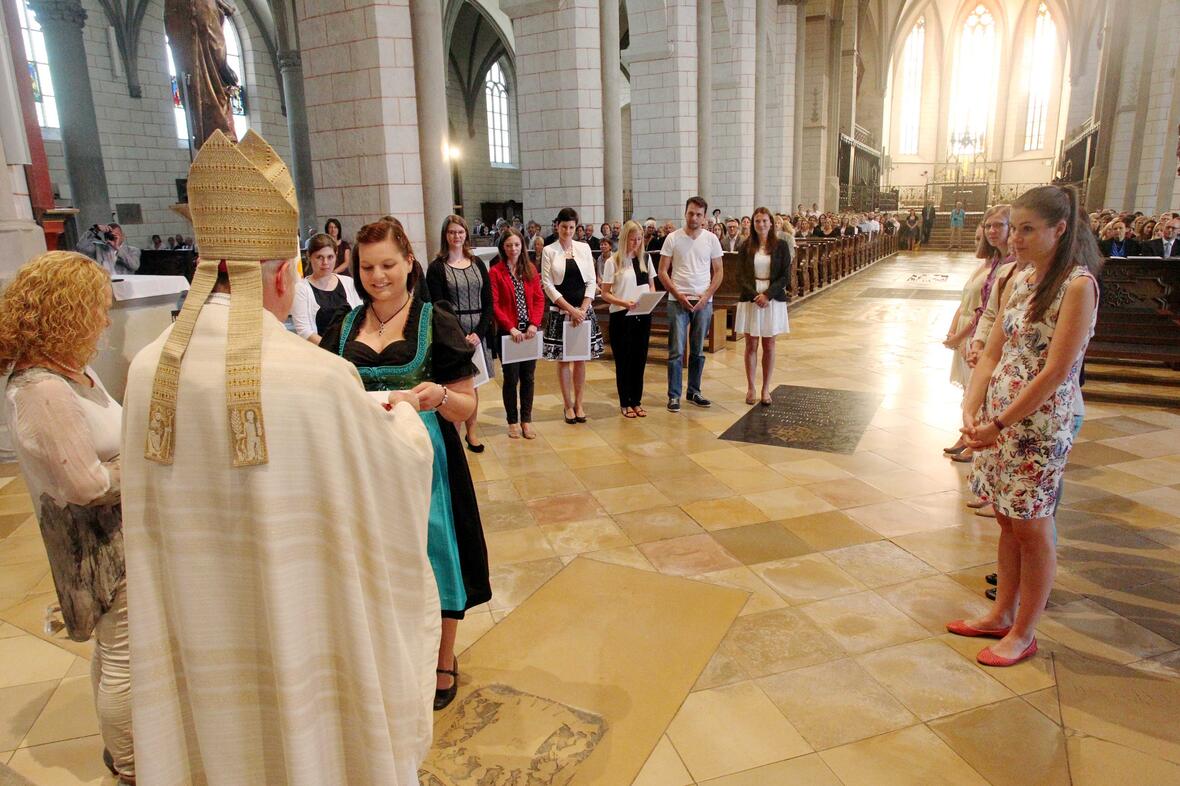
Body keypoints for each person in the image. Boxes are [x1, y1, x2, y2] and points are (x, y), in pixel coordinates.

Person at [121, 131, 439, 784]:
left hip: (200, 638)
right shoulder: (315, 378)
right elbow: (395, 470)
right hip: (293, 638)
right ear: (280, 273)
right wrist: (402, 418)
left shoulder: (146, 374)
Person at [320, 215, 491, 712]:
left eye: (388, 265)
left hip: (426, 462)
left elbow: (467, 406)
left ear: (409, 262)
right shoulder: (343, 326)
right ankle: (389, 654)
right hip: (363, 465)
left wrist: (437, 395)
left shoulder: (434, 320)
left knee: (435, 553)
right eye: (369, 267)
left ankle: (442, 657)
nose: (378, 277)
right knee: (375, 560)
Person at [948, 185, 1101, 667]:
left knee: (1033, 527)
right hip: (998, 420)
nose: (1014, 238)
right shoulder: (1018, 277)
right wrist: (972, 409)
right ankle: (1000, 613)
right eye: (1013, 227)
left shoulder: (1076, 285)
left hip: (1038, 426)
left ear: (1060, 230)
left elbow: (1057, 370)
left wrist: (999, 422)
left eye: (1027, 228)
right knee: (1007, 519)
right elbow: (992, 350)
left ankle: (1024, 631)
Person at [1, 252, 135, 785]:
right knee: (125, 657)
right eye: (98, 309)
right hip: (96, 546)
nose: (105, 321)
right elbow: (86, 485)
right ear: (69, 312)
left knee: (119, 645)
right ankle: (132, 765)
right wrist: (147, 462)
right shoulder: (40, 389)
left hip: (119, 537)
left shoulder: (72, 372)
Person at [427, 215, 494, 452]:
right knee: (455, 386)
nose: (456, 236)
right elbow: (438, 305)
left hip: (477, 333)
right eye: (451, 232)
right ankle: (454, 436)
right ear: (445, 236)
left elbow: (488, 303)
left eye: (460, 232)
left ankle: (472, 433)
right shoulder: (436, 267)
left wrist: (479, 332)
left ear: (466, 234)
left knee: (473, 385)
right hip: (451, 335)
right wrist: (457, 335)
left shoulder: (477, 263)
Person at [659, 196, 724, 411]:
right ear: (685, 213)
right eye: (690, 213)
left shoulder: (711, 239)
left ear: (704, 217)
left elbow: (719, 272)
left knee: (698, 350)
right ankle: (674, 395)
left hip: (703, 302)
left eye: (698, 214)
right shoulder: (673, 238)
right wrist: (678, 295)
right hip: (678, 300)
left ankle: (694, 391)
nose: (694, 217)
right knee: (677, 350)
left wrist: (706, 297)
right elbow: (662, 272)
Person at [541, 207, 603, 423]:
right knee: (564, 360)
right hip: (561, 312)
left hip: (583, 312)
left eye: (571, 227)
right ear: (557, 226)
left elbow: (592, 280)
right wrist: (571, 310)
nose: (567, 231)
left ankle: (579, 404)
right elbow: (548, 285)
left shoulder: (584, 248)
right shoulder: (549, 250)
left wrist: (583, 309)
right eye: (564, 227)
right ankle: (567, 405)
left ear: (576, 228)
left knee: (580, 360)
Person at [735, 207, 792, 406]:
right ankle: (751, 387)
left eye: (765, 221)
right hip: (751, 297)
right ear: (753, 224)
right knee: (751, 344)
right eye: (757, 221)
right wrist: (755, 296)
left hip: (772, 298)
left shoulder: (781, 246)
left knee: (769, 344)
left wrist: (767, 295)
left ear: (771, 223)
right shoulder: (745, 246)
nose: (761, 224)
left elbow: (785, 275)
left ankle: (766, 388)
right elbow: (740, 275)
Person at [490, 228, 543, 439]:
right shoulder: (495, 272)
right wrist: (510, 327)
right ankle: (512, 420)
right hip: (508, 334)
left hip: (529, 333)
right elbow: (494, 304)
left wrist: (533, 324)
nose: (513, 249)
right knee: (511, 378)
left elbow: (539, 299)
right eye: (509, 245)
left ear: (522, 246)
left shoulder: (529, 269)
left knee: (528, 377)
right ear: (503, 247)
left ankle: (526, 420)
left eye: (517, 245)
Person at [601, 220, 657, 418]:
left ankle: (637, 401)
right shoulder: (613, 261)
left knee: (639, 359)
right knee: (624, 360)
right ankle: (625, 402)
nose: (636, 243)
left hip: (642, 314)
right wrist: (625, 303)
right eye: (633, 239)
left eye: (639, 239)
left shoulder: (645, 259)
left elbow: (651, 286)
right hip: (621, 315)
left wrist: (651, 298)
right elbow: (605, 294)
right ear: (625, 238)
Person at [292, 232, 362, 344]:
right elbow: (305, 332)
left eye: (330, 257)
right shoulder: (301, 289)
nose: (325, 263)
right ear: (309, 257)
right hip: (320, 353)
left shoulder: (348, 283)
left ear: (336, 255)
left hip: (351, 349)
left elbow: (361, 318)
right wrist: (335, 351)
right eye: (319, 257)